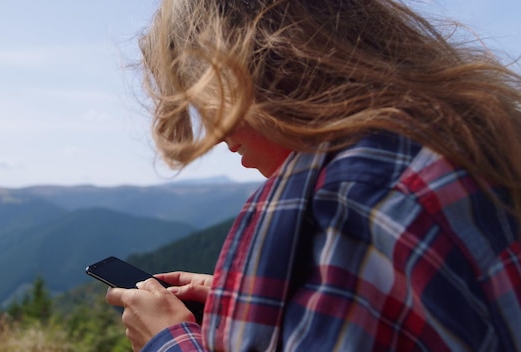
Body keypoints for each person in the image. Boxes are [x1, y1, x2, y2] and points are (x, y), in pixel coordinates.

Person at [106, 0, 521, 350]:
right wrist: (263, 301)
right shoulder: (457, 147)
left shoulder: (349, 205)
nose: (215, 134)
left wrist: (168, 339)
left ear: (268, 70)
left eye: (211, 96)